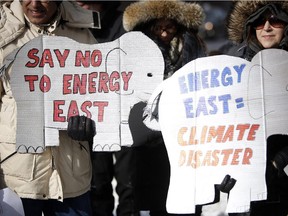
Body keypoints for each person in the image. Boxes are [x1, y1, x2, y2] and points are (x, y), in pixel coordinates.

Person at [0, 1, 100, 215]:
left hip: (71, 173)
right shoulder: (2, 32)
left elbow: (100, 96)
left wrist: (91, 123)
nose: (34, 4)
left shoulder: (81, 33)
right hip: (17, 175)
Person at [123, 1, 206, 215]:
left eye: (169, 25)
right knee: (154, 199)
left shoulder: (192, 45)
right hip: (147, 140)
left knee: (187, 200)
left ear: (179, 25)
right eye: (158, 26)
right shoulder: (135, 50)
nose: (164, 31)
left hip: (187, 138)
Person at [226, 1, 288, 215]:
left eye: (276, 20)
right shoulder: (232, 67)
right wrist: (221, 170)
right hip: (245, 183)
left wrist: (279, 161)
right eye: (260, 21)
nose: (267, 27)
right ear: (250, 26)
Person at [88, 2, 139, 216]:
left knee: (130, 182)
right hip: (91, 114)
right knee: (97, 182)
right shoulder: (69, 22)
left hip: (126, 112)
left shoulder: (128, 19)